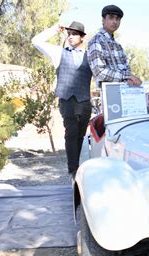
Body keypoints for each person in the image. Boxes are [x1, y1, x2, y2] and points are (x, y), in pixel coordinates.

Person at [32, 21, 92, 178]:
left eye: (74, 34)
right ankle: (73, 169)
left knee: (80, 135)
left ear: (82, 38)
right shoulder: (58, 53)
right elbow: (36, 41)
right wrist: (54, 29)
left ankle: (78, 167)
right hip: (67, 100)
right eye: (69, 34)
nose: (71, 37)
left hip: (84, 101)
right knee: (71, 132)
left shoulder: (90, 56)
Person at [87, 5, 141, 86]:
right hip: (108, 92)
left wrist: (130, 78)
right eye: (111, 18)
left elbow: (127, 69)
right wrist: (126, 77)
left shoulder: (118, 46)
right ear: (103, 20)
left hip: (124, 91)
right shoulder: (96, 41)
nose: (115, 22)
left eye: (118, 19)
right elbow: (99, 72)